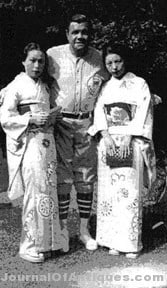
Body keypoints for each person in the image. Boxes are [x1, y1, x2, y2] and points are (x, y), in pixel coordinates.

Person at [88, 42, 156, 258]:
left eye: (118, 61)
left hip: (131, 141)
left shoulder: (139, 84)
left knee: (129, 194)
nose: (114, 67)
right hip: (108, 142)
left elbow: (144, 111)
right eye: (109, 63)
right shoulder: (105, 87)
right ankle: (111, 241)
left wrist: (129, 135)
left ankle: (131, 243)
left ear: (125, 61)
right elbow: (99, 111)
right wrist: (105, 135)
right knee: (108, 194)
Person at [47, 14, 108, 251]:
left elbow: (114, 81)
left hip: (87, 125)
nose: (80, 36)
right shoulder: (53, 54)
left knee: (85, 177)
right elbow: (35, 74)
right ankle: (62, 230)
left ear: (89, 34)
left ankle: (83, 230)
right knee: (62, 178)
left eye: (84, 31)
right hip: (61, 124)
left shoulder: (99, 58)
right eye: (75, 32)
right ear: (67, 34)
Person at [0, 42, 64, 262]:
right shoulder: (15, 87)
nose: (37, 65)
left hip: (47, 143)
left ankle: (50, 241)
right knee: (34, 193)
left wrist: (52, 117)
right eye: (32, 60)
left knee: (49, 191)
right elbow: (5, 118)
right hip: (29, 144)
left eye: (41, 61)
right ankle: (29, 245)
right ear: (23, 62)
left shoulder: (44, 87)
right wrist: (30, 118)